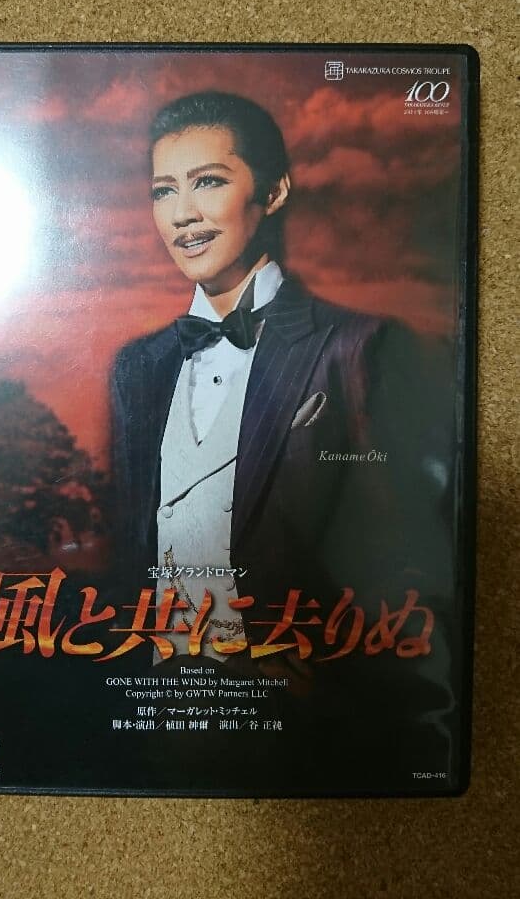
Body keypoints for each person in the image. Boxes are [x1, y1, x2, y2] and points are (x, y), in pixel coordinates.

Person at [110, 91, 455, 786]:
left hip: (306, 728)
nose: (182, 213)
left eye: (209, 181)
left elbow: (409, 567)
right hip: (160, 719)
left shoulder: (357, 348)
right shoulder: (138, 367)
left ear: (273, 192)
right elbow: (134, 553)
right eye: (164, 191)